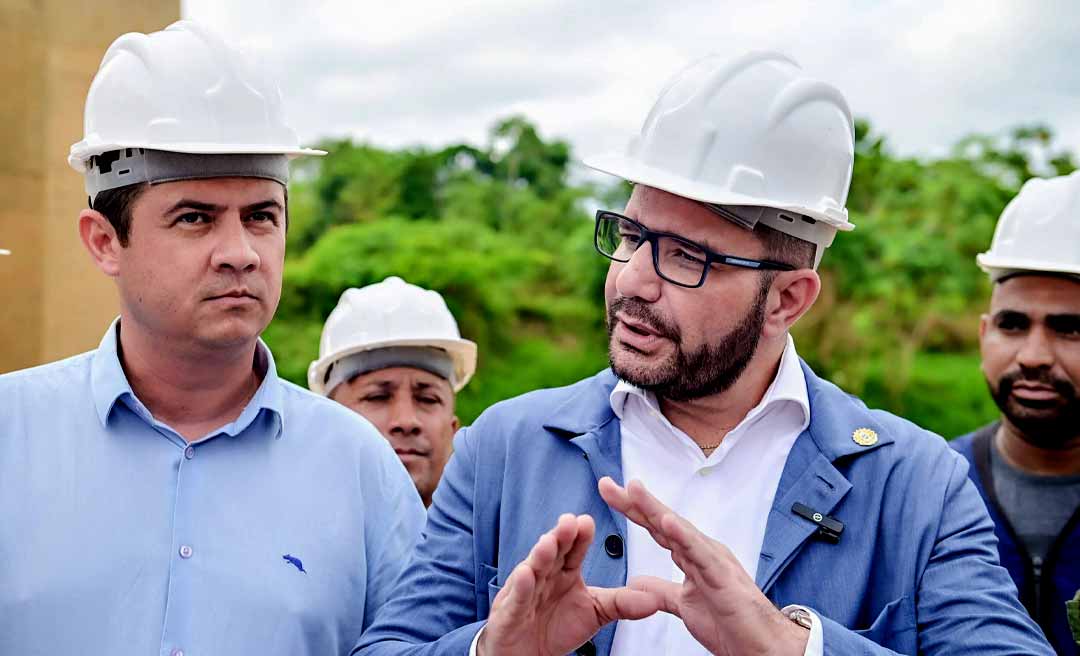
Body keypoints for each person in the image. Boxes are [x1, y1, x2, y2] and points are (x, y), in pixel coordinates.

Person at [354, 51, 1052, 656]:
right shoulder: (504, 450)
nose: (632, 281)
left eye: (687, 257)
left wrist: (793, 647)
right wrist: (492, 649)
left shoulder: (916, 483)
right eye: (630, 236)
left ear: (788, 300)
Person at [0, 21, 425, 655]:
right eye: (195, 218)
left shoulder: (361, 469)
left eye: (262, 217)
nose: (241, 253)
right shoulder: (12, 433)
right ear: (103, 241)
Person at [953, 171, 1080, 655]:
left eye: (1069, 329)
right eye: (1012, 324)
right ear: (985, 334)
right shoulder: (926, 488)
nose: (1033, 356)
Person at [309, 276, 477, 507]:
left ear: (453, 430)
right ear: (327, 425)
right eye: (377, 397)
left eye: (428, 399)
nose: (406, 421)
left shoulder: (497, 541)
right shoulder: (285, 538)